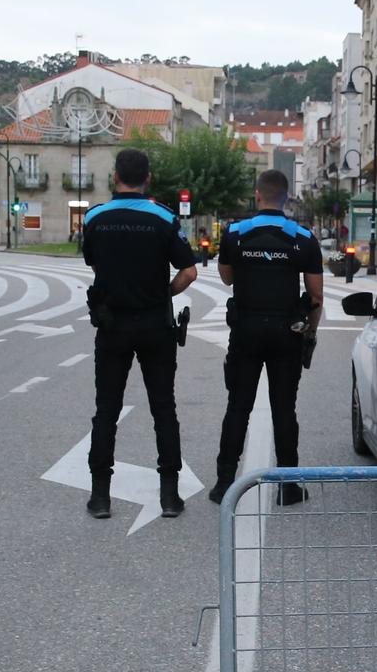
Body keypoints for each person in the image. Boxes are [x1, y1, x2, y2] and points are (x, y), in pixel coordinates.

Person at [79, 148, 199, 520]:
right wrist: (163, 292)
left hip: (112, 325)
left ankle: (100, 497)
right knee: (163, 408)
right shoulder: (164, 218)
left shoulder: (95, 217)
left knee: (106, 411)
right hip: (154, 326)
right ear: (148, 178)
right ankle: (169, 496)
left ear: (116, 177)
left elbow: (94, 262)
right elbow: (189, 271)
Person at [211, 170, 323, 507]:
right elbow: (315, 295)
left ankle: (224, 484)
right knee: (284, 409)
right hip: (286, 333)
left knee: (237, 407)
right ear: (286, 198)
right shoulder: (303, 237)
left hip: (245, 330)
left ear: (257, 195)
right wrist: (310, 333)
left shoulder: (234, 234)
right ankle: (288, 487)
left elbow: (227, 278)